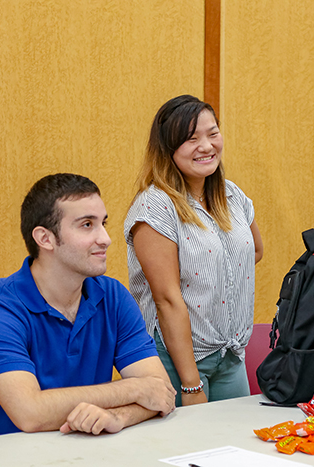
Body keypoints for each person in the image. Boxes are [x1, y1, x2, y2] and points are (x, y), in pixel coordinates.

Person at [0, 174, 176, 441]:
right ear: (45, 239)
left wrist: (118, 417)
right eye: (87, 225)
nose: (105, 238)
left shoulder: (113, 296)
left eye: (102, 223)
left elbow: (162, 393)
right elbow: (31, 414)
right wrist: (134, 390)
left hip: (74, 451)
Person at [125, 95, 264, 407]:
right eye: (191, 139)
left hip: (229, 354)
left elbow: (254, 250)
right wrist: (190, 385)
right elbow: (167, 300)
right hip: (177, 360)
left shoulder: (232, 194)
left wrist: (215, 279)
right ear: (168, 149)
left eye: (212, 133)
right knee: (182, 454)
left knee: (235, 452)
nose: (206, 146)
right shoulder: (155, 206)